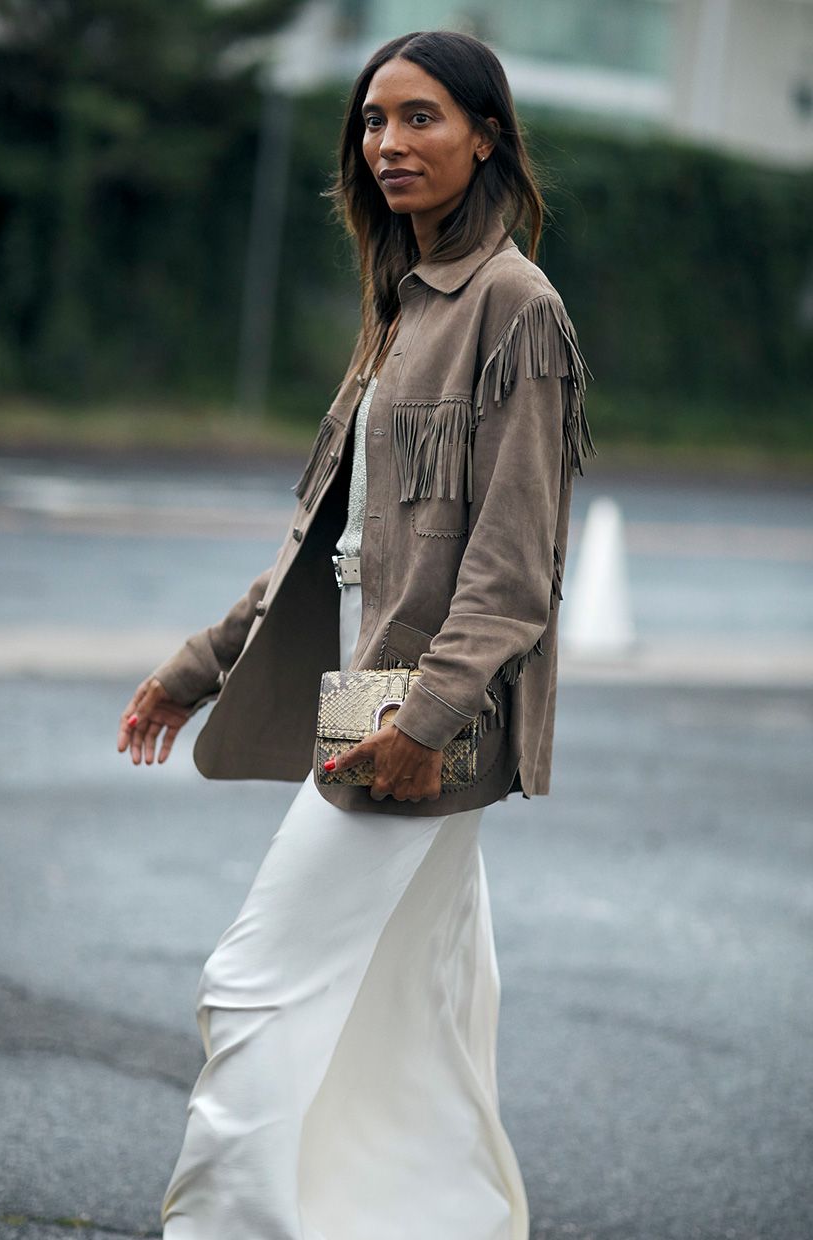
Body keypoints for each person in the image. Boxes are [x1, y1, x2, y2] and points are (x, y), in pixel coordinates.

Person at [117, 29, 594, 1240]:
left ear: (486, 133)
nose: (389, 143)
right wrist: (199, 663)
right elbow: (325, 532)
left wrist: (429, 721)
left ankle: (227, 1227)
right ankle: (434, 1217)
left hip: (415, 713)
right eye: (373, 122)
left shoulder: (513, 306)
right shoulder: (400, 306)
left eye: (422, 117)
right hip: (363, 690)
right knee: (415, 1003)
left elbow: (515, 563)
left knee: (255, 983)